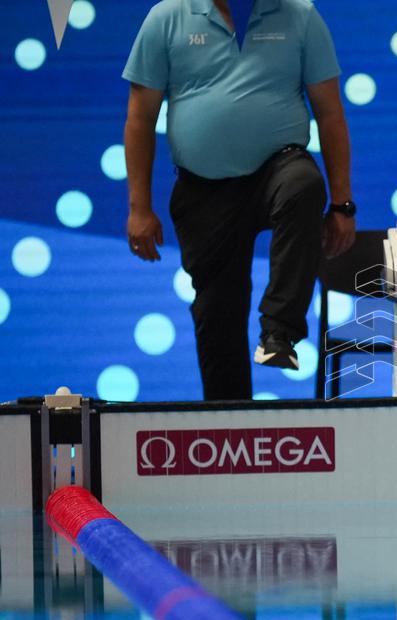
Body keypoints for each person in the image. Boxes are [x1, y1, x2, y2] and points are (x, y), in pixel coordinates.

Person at [122, 0, 357, 400]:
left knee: (303, 184)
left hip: (278, 167)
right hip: (203, 187)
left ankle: (279, 331)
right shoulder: (167, 17)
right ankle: (226, 419)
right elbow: (141, 117)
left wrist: (342, 205)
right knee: (218, 315)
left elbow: (330, 113)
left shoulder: (300, 16)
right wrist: (139, 209)